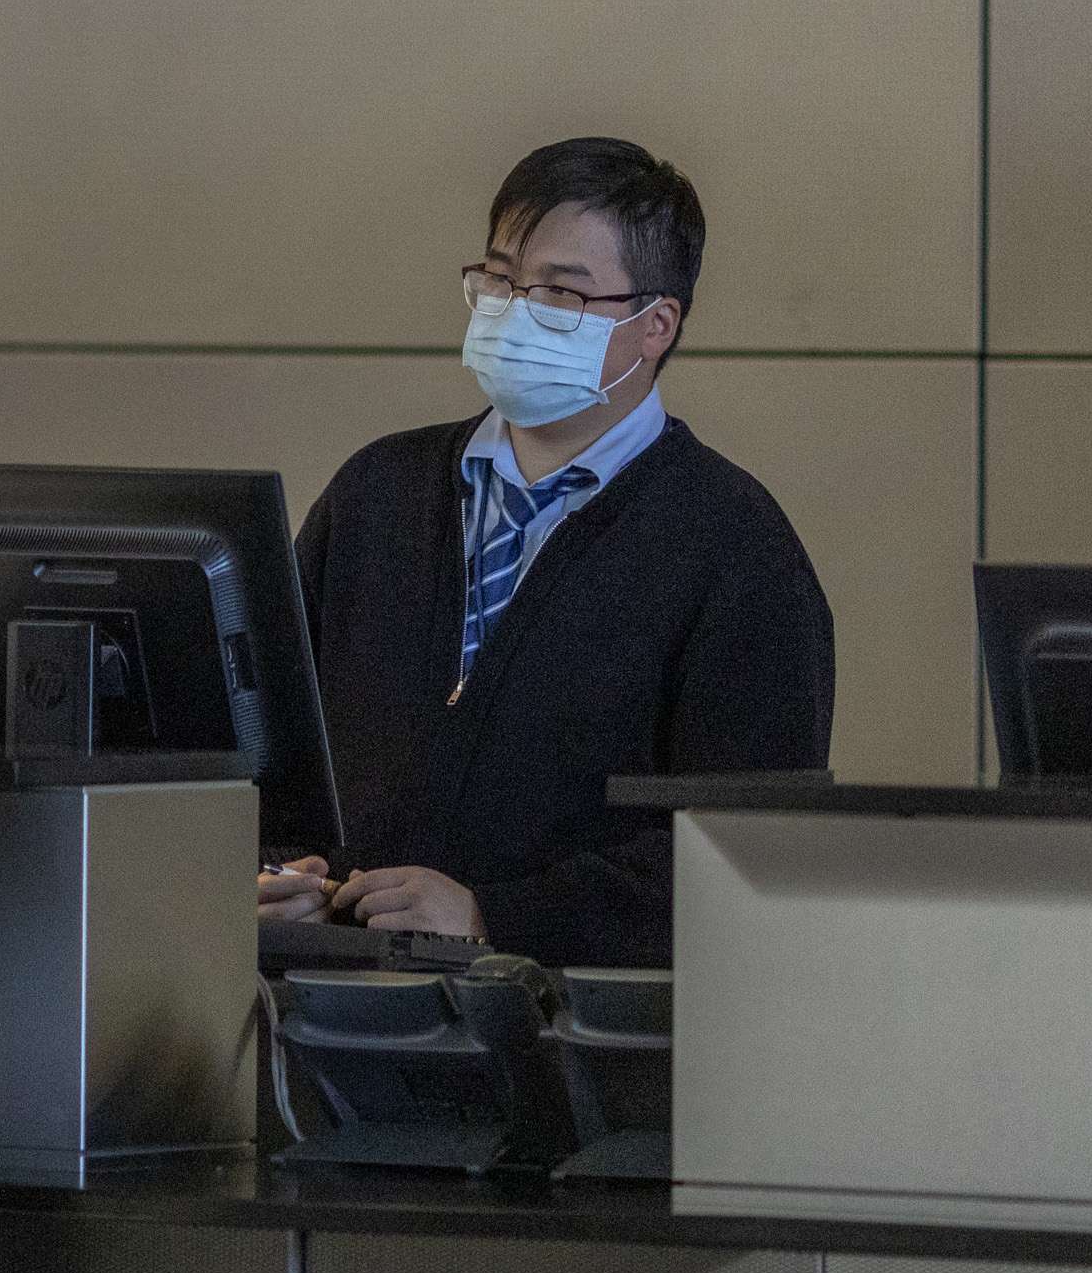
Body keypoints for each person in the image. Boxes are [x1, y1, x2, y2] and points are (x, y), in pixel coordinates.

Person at [260, 138, 834, 966]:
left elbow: (747, 856)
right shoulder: (375, 492)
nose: (515, 311)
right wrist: (280, 876)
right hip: (329, 1020)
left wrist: (496, 916)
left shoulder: (737, 548)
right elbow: (273, 751)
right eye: (499, 280)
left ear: (654, 327)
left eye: (561, 293)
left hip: (570, 1049)